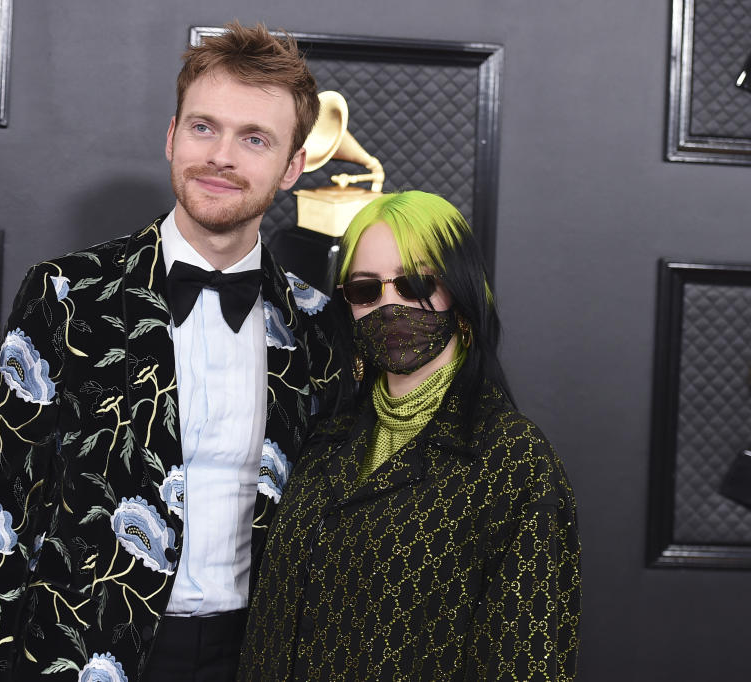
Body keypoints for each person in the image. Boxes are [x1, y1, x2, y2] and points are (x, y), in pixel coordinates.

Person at [0, 22, 341, 682]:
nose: (220, 155)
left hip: (261, 657)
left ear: (292, 167)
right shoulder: (66, 293)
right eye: (203, 127)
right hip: (84, 653)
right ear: (171, 136)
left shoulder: (318, 323)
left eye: (255, 139)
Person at [238, 191, 581, 681]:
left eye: (414, 283)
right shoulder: (324, 437)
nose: (389, 304)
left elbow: (526, 661)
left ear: (460, 295)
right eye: (365, 290)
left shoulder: (513, 458)